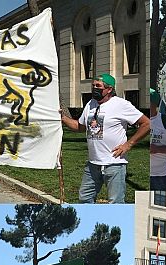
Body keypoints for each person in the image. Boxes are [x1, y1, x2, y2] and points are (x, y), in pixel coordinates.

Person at [60, 74, 150, 203]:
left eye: (98, 86)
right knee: (85, 198)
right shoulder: (90, 104)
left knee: (116, 202)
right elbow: (80, 127)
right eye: (93, 86)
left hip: (114, 163)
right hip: (93, 164)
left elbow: (146, 124)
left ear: (109, 89)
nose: (94, 88)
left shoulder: (121, 104)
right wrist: (63, 118)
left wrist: (128, 144)